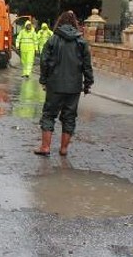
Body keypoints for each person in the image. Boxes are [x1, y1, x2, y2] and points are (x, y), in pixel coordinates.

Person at [35, 11, 93, 156]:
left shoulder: (53, 40)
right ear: (75, 24)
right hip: (74, 87)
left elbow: (44, 61)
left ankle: (45, 147)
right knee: (69, 116)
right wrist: (87, 84)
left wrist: (44, 80)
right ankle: (64, 149)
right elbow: (87, 65)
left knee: (49, 114)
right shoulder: (81, 42)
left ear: (59, 23)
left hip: (54, 85)